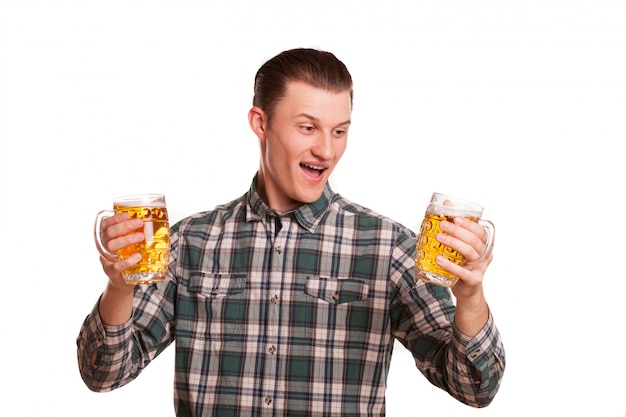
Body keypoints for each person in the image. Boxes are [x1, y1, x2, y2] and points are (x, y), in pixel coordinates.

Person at [77, 48, 505, 417]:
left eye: (339, 131)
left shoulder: (388, 248)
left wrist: (470, 296)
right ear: (260, 123)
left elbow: (474, 388)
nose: (327, 149)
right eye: (308, 127)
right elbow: (104, 374)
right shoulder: (190, 243)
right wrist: (119, 286)